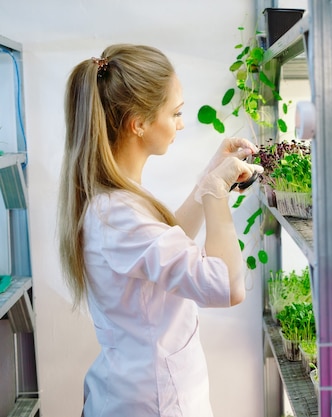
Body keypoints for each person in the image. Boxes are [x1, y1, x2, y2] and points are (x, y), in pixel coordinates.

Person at [57, 43, 262, 417]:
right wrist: (216, 194)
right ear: (138, 123)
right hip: (152, 403)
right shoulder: (117, 216)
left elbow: (164, 246)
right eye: (176, 113)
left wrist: (208, 177)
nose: (181, 124)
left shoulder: (116, 200)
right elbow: (228, 286)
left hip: (135, 390)